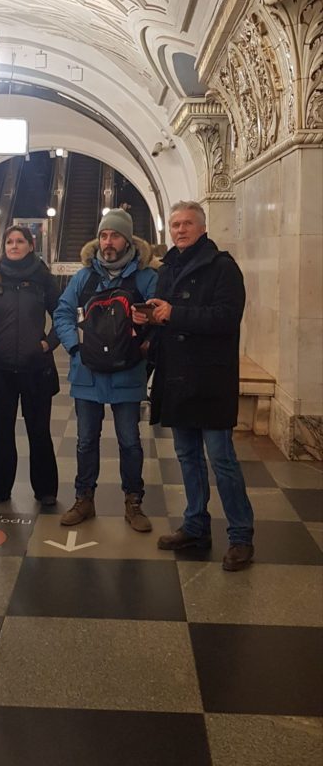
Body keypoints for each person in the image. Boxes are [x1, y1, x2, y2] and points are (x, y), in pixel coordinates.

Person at [138, 200, 254, 571]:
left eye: (187, 223)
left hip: (211, 379)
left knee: (221, 459)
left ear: (202, 228)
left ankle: (241, 536)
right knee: (187, 456)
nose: (181, 230)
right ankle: (195, 526)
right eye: (175, 225)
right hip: (177, 377)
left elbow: (226, 317)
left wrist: (175, 313)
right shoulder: (168, 268)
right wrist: (151, 318)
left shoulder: (222, 267)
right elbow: (167, 318)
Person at [54, 208, 158, 531]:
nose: (108, 242)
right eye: (103, 235)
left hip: (128, 372)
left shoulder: (146, 278)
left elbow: (160, 317)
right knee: (86, 440)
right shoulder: (84, 277)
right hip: (88, 374)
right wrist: (75, 348)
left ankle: (133, 502)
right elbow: (62, 313)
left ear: (127, 240)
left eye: (114, 235)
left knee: (130, 441)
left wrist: (146, 331)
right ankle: (84, 499)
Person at [0, 225, 60, 507]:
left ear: (31, 245)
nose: (14, 245)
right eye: (9, 241)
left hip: (37, 368)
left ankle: (45, 490)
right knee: (0, 432)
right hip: (0, 369)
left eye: (20, 241)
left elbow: (62, 314)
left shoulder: (43, 277)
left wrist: (48, 344)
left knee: (39, 431)